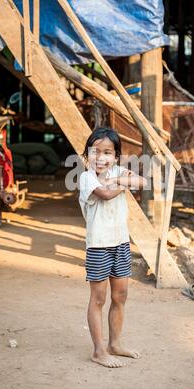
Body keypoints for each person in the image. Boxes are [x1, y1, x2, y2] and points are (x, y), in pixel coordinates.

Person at [79, 127, 147, 368]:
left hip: (120, 243)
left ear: (116, 156)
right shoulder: (87, 177)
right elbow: (106, 195)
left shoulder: (117, 172)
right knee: (98, 299)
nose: (101, 157)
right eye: (95, 151)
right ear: (87, 155)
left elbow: (142, 181)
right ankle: (98, 351)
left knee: (120, 296)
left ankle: (114, 344)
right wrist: (123, 183)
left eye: (107, 152)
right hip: (99, 245)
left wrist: (119, 178)